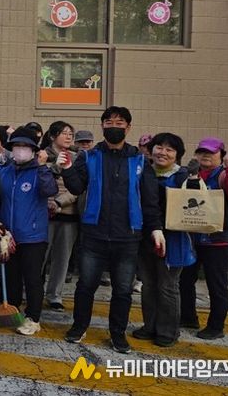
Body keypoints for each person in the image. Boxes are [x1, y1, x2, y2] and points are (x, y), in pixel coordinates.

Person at [59, 106, 161, 353]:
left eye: (120, 122)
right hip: (94, 233)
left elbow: (150, 200)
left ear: (128, 127)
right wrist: (67, 169)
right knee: (85, 286)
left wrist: (155, 228)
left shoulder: (139, 160)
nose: (114, 126)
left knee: (123, 290)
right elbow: (76, 187)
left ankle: (118, 334)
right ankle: (79, 326)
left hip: (128, 236)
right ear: (102, 126)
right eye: (109, 122)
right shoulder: (90, 156)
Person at [131, 133, 195, 347]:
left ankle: (168, 332)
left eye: (169, 150)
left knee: (168, 286)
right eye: (159, 147)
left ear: (177, 155)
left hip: (175, 239)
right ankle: (150, 326)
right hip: (146, 238)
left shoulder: (184, 177)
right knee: (148, 284)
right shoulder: (142, 172)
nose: (163, 152)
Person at [179, 137, 228, 339]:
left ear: (221, 155)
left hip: (218, 240)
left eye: (211, 152)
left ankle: (216, 326)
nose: (205, 155)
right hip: (193, 238)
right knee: (185, 279)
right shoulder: (193, 172)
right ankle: (188, 317)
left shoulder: (224, 174)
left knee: (216, 284)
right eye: (201, 152)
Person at [0, 127, 58, 336]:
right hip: (9, 235)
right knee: (12, 277)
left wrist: (42, 167)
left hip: (33, 235)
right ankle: (12, 310)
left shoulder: (40, 171)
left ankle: (33, 318)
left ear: (33, 150)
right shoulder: (5, 171)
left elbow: (50, 190)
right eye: (16, 146)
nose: (20, 150)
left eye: (25, 147)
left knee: (32, 278)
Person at [40, 121, 79, 311]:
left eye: (71, 133)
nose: (69, 136)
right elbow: (39, 180)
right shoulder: (42, 155)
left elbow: (79, 188)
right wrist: (48, 201)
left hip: (68, 213)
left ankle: (55, 295)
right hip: (43, 212)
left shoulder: (77, 158)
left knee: (62, 258)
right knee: (40, 255)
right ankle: (34, 290)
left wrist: (59, 202)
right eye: (64, 133)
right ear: (53, 135)